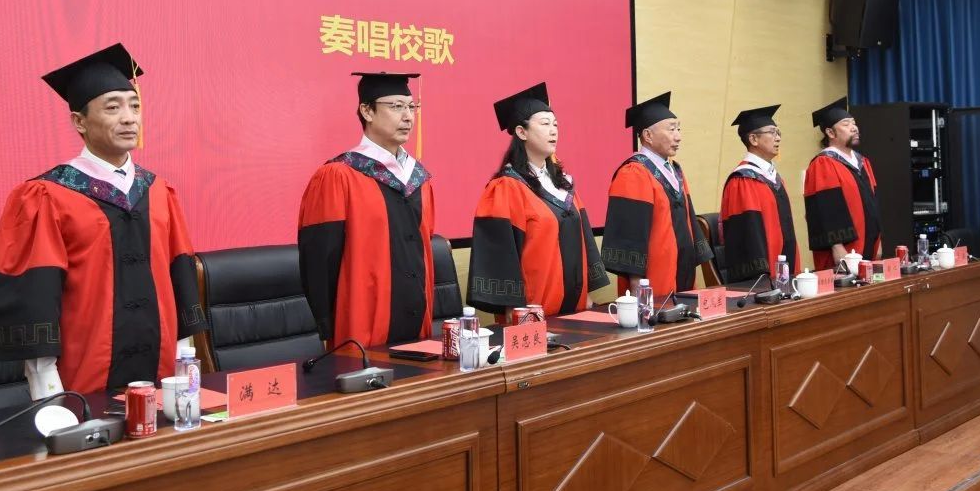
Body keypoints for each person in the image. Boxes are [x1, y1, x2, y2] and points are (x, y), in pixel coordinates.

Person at [0, 44, 207, 399]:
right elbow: (35, 297)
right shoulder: (48, 195)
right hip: (84, 380)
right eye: (113, 107)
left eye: (134, 106)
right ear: (80, 121)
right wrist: (50, 395)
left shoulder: (159, 191)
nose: (129, 118)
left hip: (161, 374)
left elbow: (179, 278)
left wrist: (183, 371)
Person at [298, 72, 436, 347]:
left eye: (412, 107)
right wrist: (329, 326)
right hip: (361, 326)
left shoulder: (419, 179)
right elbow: (319, 260)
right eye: (396, 106)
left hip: (417, 324)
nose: (408, 117)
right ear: (367, 111)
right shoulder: (339, 176)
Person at [467, 83, 609, 317]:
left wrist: (587, 293)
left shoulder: (563, 184)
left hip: (576, 310)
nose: (553, 131)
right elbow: (501, 256)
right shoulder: (506, 187)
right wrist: (514, 311)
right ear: (521, 132)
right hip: (532, 317)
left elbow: (584, 239)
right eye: (545, 124)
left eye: (555, 125)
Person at [602, 92, 713, 301]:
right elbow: (630, 235)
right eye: (671, 129)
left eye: (679, 129)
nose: (678, 136)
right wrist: (638, 288)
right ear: (648, 135)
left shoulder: (675, 170)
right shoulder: (634, 172)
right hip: (653, 281)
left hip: (682, 273)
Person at [719, 105, 798, 283]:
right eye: (772, 132)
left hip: (782, 272)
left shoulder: (773, 177)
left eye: (778, 132)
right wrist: (761, 281)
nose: (778, 138)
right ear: (753, 139)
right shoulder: (743, 180)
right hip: (761, 281)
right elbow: (747, 234)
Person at [803, 97, 881, 271]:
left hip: (868, 245)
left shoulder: (863, 162)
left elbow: (873, 204)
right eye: (846, 124)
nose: (854, 128)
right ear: (830, 133)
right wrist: (836, 246)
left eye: (854, 123)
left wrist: (878, 240)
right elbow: (824, 209)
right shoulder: (823, 163)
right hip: (843, 253)